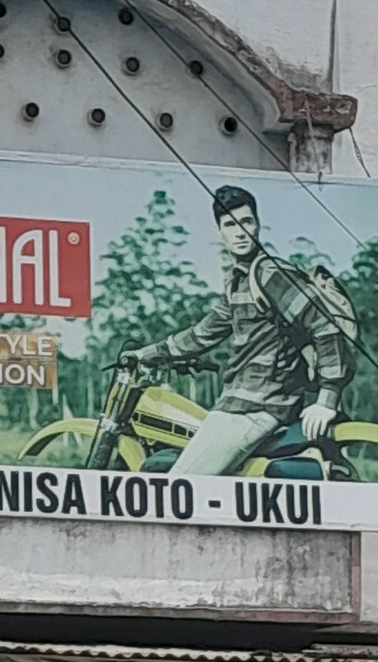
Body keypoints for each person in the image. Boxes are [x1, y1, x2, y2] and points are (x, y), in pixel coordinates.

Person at [127, 185, 355, 477]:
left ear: (257, 225)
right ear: (219, 232)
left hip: (259, 406)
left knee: (179, 486)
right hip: (237, 404)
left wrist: (327, 399)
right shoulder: (238, 282)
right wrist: (146, 354)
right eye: (230, 225)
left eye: (246, 222)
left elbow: (324, 325)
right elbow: (202, 334)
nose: (240, 232)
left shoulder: (270, 273)